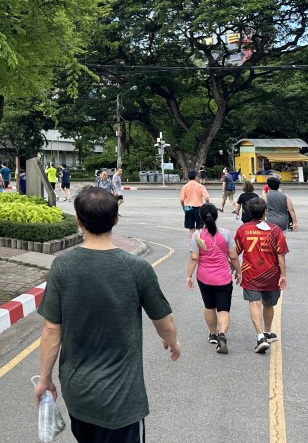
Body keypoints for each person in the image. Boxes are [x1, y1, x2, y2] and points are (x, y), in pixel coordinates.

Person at [35, 187, 180, 442]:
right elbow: (163, 321)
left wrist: (44, 379)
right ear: (115, 219)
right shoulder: (137, 268)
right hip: (121, 398)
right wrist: (172, 341)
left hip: (77, 392)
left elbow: (51, 330)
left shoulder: (62, 266)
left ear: (78, 221)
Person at [234, 198, 288, 354]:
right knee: (269, 304)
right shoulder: (275, 230)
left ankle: (259, 336)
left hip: (250, 272)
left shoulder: (243, 230)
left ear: (249, 212)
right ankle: (267, 331)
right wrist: (283, 275)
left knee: (254, 303)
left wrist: (236, 269)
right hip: (271, 273)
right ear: (266, 212)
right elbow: (281, 255)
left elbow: (235, 253)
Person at [186, 204, 240, 355]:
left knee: (209, 306)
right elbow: (234, 256)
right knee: (223, 309)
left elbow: (194, 258)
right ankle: (222, 334)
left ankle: (213, 334)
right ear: (216, 216)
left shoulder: (196, 236)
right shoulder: (226, 233)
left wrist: (189, 276)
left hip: (204, 277)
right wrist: (239, 271)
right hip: (223, 277)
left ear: (201, 217)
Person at [180, 169, 210, 235]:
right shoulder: (201, 186)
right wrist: (206, 205)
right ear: (196, 177)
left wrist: (184, 208)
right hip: (199, 208)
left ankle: (192, 242)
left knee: (191, 228)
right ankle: (198, 242)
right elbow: (206, 198)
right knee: (199, 228)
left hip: (188, 208)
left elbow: (182, 200)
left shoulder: (184, 187)